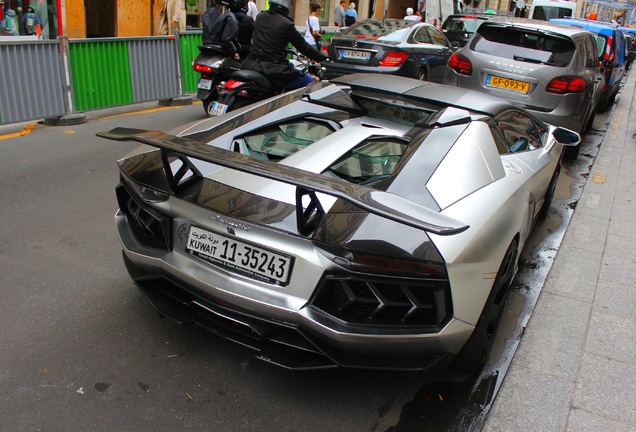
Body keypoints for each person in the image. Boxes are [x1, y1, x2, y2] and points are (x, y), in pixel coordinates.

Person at [241, 0, 328, 90]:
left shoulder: (260, 17)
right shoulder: (286, 24)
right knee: (310, 82)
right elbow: (304, 47)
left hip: (251, 64)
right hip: (274, 69)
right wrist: (321, 57)